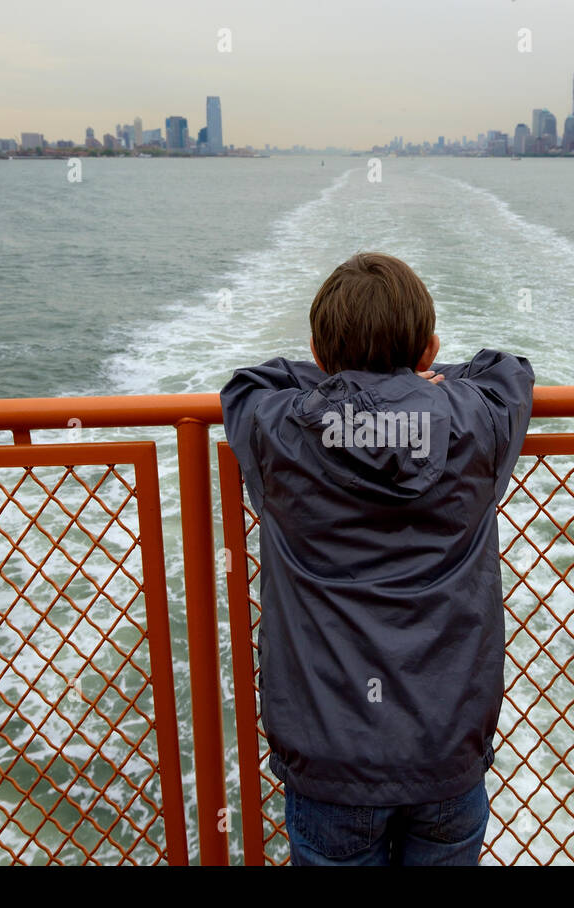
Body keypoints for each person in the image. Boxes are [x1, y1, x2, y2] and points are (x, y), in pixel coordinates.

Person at [220, 251, 534, 865]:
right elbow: (507, 370)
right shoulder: (475, 420)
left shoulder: (280, 428)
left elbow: (248, 382)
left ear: (317, 355)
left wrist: (349, 389)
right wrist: (414, 391)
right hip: (445, 755)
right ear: (428, 352)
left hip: (330, 761)